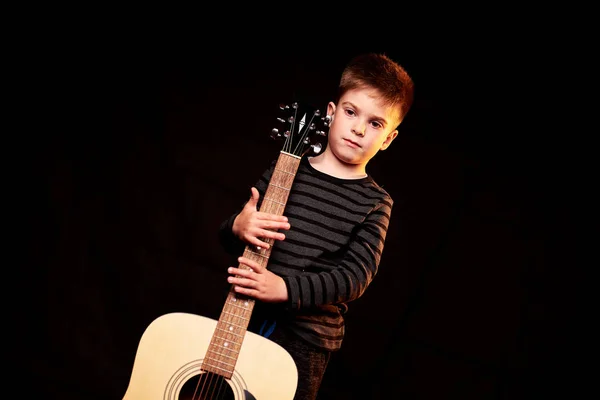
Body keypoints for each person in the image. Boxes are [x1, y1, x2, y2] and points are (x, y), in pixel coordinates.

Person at [217, 52, 414, 399]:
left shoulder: (375, 203)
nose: (358, 128)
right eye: (351, 112)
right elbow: (236, 234)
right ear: (331, 112)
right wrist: (238, 225)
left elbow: (354, 278)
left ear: (388, 139)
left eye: (375, 123)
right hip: (242, 315)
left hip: (305, 339)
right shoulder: (287, 167)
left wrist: (286, 289)